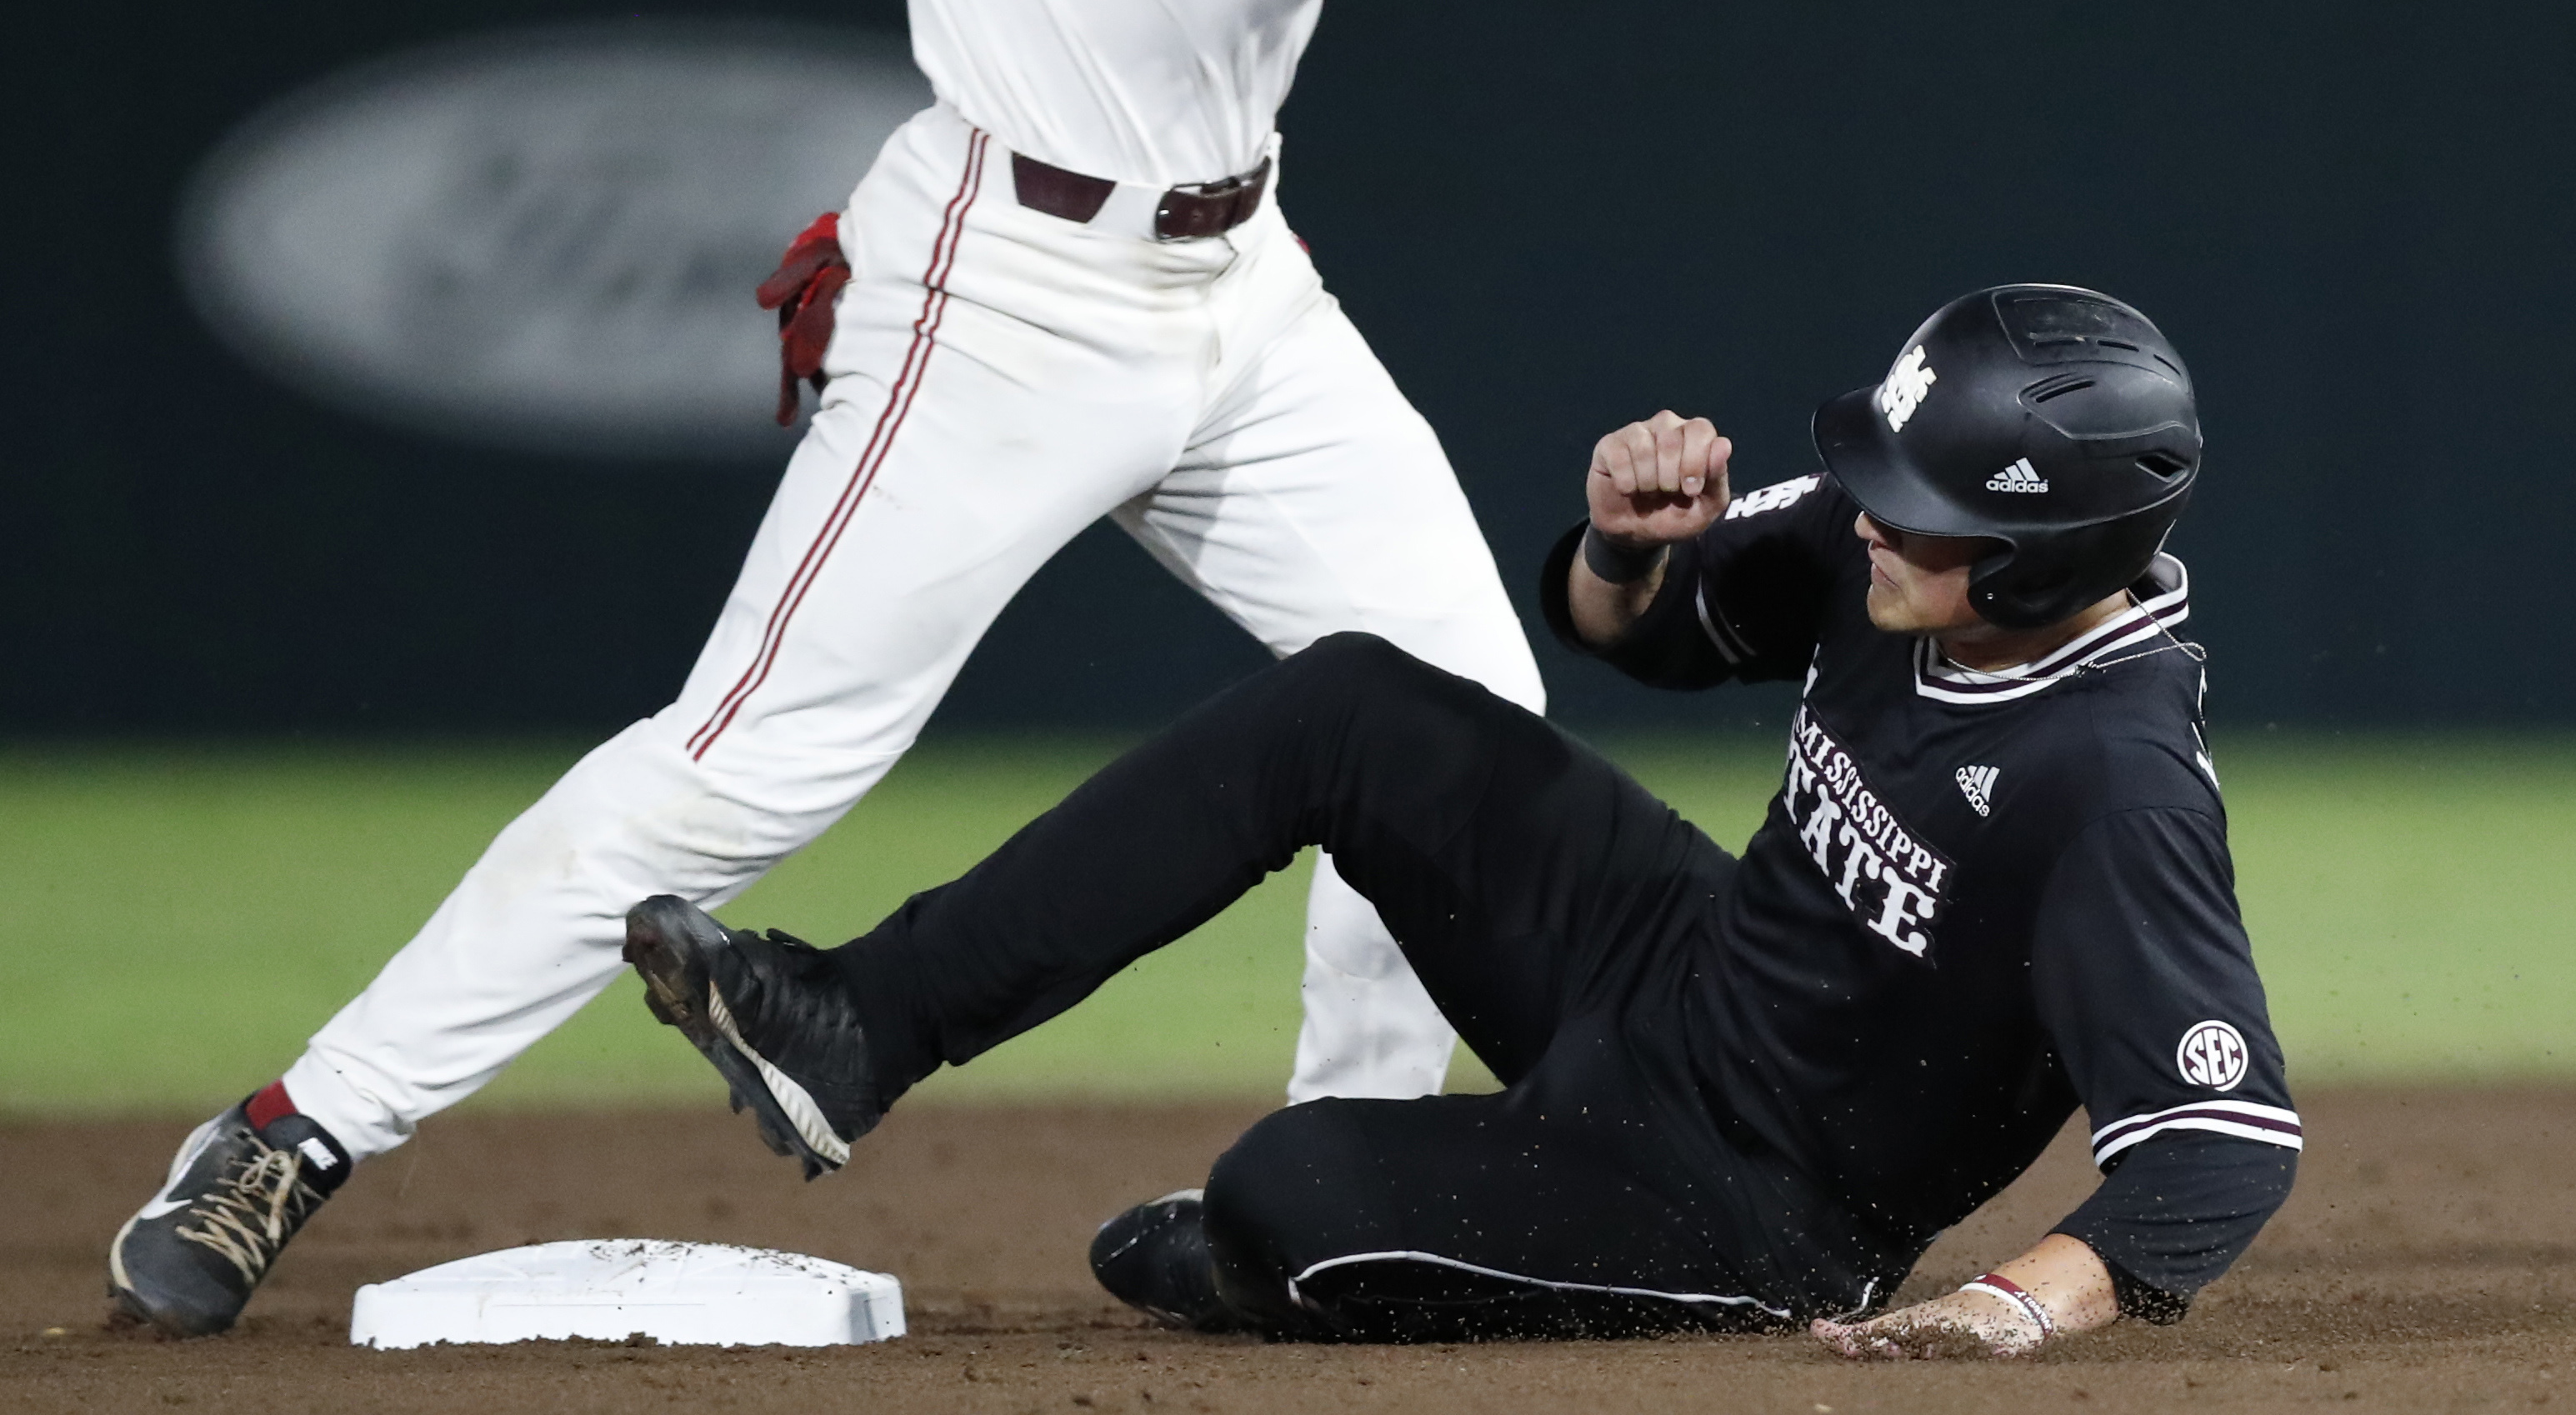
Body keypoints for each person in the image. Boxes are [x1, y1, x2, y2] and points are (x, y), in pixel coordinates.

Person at [108, 0, 1730, 1336]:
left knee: (1453, 734)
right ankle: (289, 1131)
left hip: (1251, 297)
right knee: (744, 765)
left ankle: (1351, 1207)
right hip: (1001, 288)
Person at [615, 284, 2299, 1355]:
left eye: (1922, 508)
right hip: (1682, 965)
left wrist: (2003, 1314)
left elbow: (2214, 1158)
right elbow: (1633, 630)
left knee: (1282, 1194)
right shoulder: (1898, 560)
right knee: (1351, 705)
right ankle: (859, 1023)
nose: (1873, 518)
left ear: (2043, 561)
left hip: (1758, 1200)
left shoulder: (2114, 784)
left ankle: (1291, 1256)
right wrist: (1627, 545)